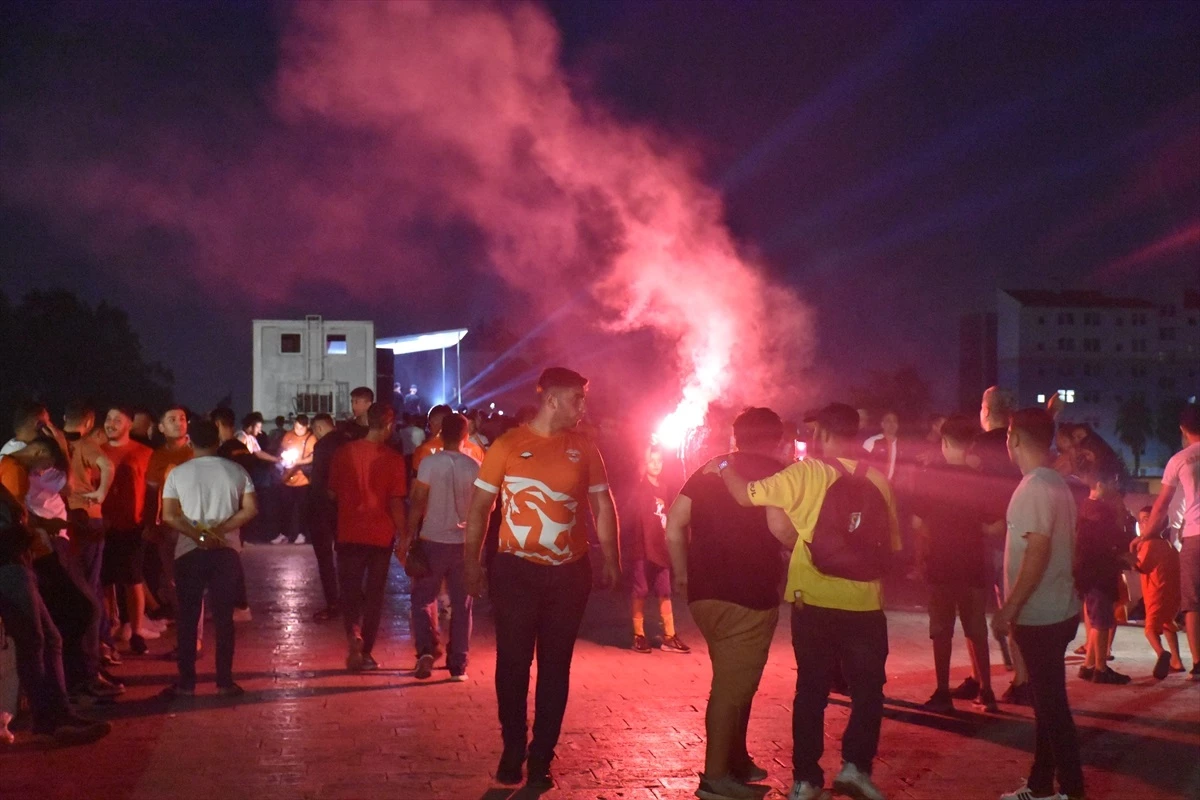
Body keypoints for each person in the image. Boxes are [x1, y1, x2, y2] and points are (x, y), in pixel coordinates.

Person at [712, 402, 900, 800]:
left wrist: (724, 465)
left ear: (824, 435)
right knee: (868, 691)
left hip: (812, 601)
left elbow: (747, 496)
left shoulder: (807, 473)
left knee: (811, 691)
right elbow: (893, 546)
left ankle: (807, 780)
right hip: (866, 604)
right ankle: (855, 769)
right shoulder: (880, 480)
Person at [464, 367, 620, 790]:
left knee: (556, 666)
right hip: (516, 570)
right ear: (552, 400)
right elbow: (480, 508)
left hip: (570, 573)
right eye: (576, 398)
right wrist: (472, 562)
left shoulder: (585, 448)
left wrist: (612, 557)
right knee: (513, 663)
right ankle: (513, 746)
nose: (583, 407)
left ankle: (541, 757)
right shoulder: (508, 445)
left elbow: (603, 507)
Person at [665, 407, 790, 800]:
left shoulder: (709, 470)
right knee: (731, 688)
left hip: (704, 595)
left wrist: (683, 574)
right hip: (749, 597)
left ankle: (737, 760)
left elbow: (673, 525)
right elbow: (782, 531)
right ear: (778, 438)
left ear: (736, 436)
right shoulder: (780, 474)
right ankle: (715, 778)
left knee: (735, 680)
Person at [992, 408, 1083, 800]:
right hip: (1060, 608)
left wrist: (1011, 607)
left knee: (1052, 709)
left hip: (1041, 615)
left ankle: (1073, 790)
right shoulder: (1056, 484)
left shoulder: (1032, 488)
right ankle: (1041, 784)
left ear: (1013, 438)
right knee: (1047, 706)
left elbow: (1038, 551)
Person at [0, 484, 111, 744]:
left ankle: (59, 714)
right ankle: (49, 720)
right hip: (8, 567)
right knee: (36, 641)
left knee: (49, 639)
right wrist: (23, 533)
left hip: (17, 564)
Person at [160, 420, 257, 697]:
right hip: (226, 552)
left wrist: (196, 534)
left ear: (190, 441)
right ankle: (224, 681)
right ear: (217, 441)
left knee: (188, 618)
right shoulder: (236, 471)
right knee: (224, 618)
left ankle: (187, 682)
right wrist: (220, 531)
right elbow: (250, 509)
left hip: (188, 552)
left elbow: (169, 515)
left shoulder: (178, 474)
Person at [910, 414, 997, 713]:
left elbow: (917, 521)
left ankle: (942, 693)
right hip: (973, 563)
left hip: (941, 563)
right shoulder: (981, 479)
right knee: (976, 630)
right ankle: (987, 691)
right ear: (971, 444)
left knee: (941, 630)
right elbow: (993, 524)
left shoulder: (929, 476)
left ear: (944, 442)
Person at [328, 403, 407, 671]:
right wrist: (405, 534)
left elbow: (332, 493)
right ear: (388, 425)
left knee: (349, 592)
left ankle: (353, 633)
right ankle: (367, 652)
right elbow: (396, 502)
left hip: (348, 532)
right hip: (380, 535)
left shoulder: (343, 453)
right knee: (375, 596)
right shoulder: (394, 459)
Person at [406, 412, 478, 680]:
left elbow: (418, 502)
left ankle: (426, 651)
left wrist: (408, 535)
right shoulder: (474, 466)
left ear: (440, 433)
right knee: (462, 604)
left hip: (432, 541)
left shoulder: (428, 464)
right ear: (465, 435)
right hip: (463, 544)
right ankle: (458, 664)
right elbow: (485, 508)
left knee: (423, 598)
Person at [1141, 403, 1200, 680]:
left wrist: (1146, 535)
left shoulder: (1179, 460)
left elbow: (1162, 505)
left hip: (1194, 537)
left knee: (1192, 602)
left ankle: (1198, 662)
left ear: (1182, 429)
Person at [974, 386, 1025, 696]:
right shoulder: (1018, 445)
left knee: (978, 609)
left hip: (985, 533)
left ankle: (984, 682)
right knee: (1014, 603)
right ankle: (1022, 676)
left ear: (986, 411)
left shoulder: (977, 446)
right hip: (1017, 529)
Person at [621, 444, 688, 654]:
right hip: (641, 546)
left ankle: (669, 634)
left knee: (665, 591)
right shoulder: (638, 488)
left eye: (659, 461)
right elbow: (628, 516)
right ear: (644, 463)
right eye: (651, 461)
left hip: (660, 546)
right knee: (640, 590)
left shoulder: (665, 488)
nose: (656, 465)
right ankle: (638, 635)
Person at [100, 407, 154, 655]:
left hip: (133, 525)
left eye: (117, 420)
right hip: (102, 524)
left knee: (133, 578)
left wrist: (151, 522)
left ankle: (136, 629)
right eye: (108, 419)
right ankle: (109, 627)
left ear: (129, 424)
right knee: (104, 579)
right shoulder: (96, 451)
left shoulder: (144, 453)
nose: (111, 424)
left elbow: (153, 491)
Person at [1073, 473, 1134, 684]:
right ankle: (1101, 669)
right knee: (1101, 622)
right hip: (1099, 574)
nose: (1115, 485)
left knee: (1098, 620)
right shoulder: (1100, 511)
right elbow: (1113, 538)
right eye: (1112, 481)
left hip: (1089, 574)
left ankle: (1088, 666)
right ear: (1100, 483)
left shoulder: (1086, 507)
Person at [144, 406, 193, 620]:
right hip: (167, 525)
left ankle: (193, 636)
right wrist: (149, 524)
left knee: (191, 578)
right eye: (172, 419)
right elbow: (152, 492)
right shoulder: (157, 456)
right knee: (172, 578)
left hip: (192, 525)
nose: (178, 422)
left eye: (182, 418)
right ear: (161, 427)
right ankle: (184, 623)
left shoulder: (196, 452)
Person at [1131, 506, 1184, 679]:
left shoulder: (1149, 544)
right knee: (1167, 624)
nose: (1143, 523)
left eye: (1147, 519)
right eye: (1141, 520)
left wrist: (1130, 554)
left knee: (1150, 628)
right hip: (1172, 595)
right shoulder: (1169, 545)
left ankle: (1162, 653)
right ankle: (1177, 661)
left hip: (1156, 592)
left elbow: (1142, 567)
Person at [306, 412, 341, 620]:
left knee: (325, 558)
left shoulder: (322, 446)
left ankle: (332, 602)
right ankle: (352, 598)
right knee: (345, 556)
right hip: (344, 507)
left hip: (322, 509)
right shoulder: (347, 441)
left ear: (318, 428)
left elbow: (318, 481)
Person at [273, 415, 314, 545]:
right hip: (287, 479)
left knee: (303, 509)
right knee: (285, 508)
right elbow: (282, 450)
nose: (297, 430)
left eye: (300, 428)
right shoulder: (288, 436)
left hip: (303, 480)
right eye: (295, 426)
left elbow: (311, 457)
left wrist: (298, 461)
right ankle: (284, 534)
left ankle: (302, 534)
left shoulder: (310, 438)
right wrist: (284, 459)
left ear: (307, 426)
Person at [413, 405, 486, 470]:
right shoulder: (475, 450)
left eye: (429, 424)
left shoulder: (423, 450)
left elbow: (416, 483)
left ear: (433, 422)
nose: (429, 428)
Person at [862, 411, 900, 482]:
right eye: (888, 421)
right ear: (882, 424)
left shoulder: (902, 445)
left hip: (892, 488)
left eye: (894, 421)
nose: (892, 424)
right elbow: (861, 466)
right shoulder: (872, 441)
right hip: (873, 485)